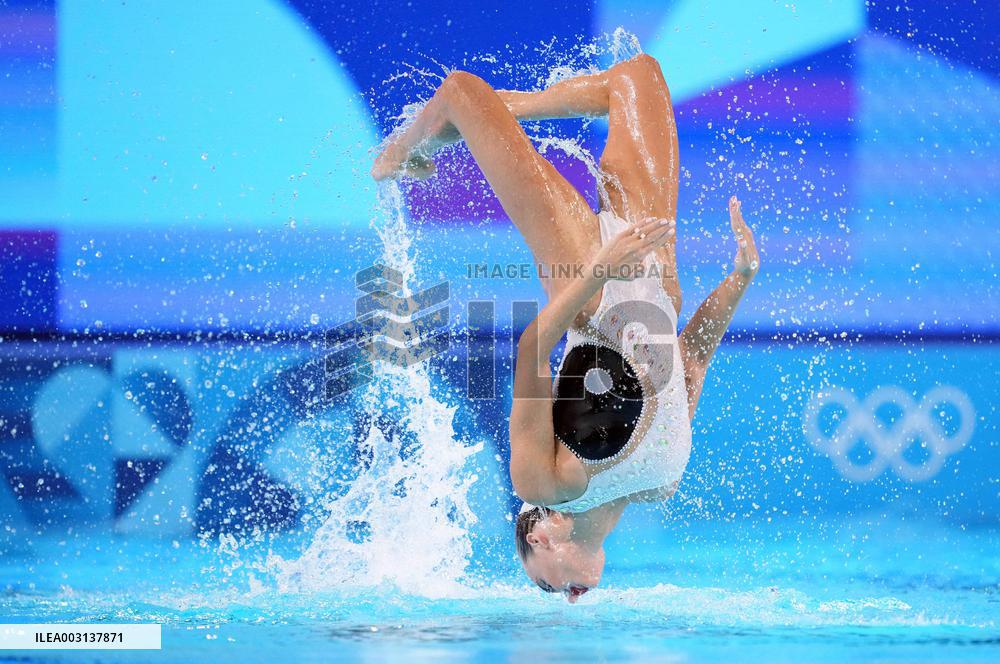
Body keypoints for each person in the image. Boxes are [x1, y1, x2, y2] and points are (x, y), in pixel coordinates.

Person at [372, 54, 759, 602]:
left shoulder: (543, 483)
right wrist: (739, 279)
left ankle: (418, 138)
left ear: (539, 535)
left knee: (462, 92)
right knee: (639, 77)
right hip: (653, 264)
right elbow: (690, 360)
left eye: (548, 589)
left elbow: (532, 348)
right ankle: (502, 115)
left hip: (592, 287)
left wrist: (599, 268)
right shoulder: (659, 484)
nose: (568, 597)